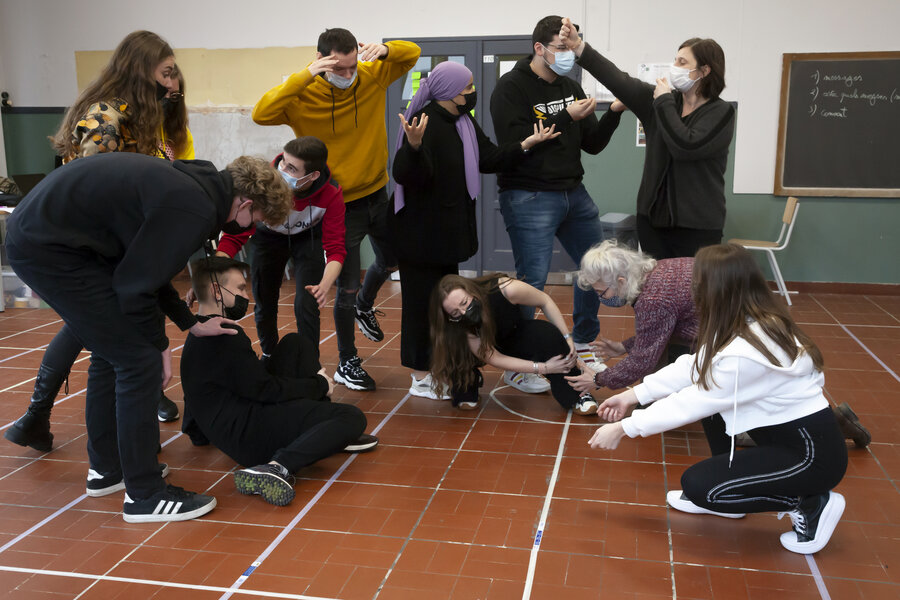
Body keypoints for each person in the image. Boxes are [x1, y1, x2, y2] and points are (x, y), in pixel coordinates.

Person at [5, 153, 293, 522]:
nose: (249, 229)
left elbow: (147, 270)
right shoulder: (193, 208)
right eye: (255, 221)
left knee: (112, 355)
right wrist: (160, 348)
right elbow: (135, 288)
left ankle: (108, 470)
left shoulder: (195, 186)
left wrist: (189, 323)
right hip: (51, 251)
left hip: (59, 242)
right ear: (246, 203)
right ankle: (144, 495)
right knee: (136, 361)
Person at [588, 244, 848, 555]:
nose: (691, 288)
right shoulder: (744, 321)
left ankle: (810, 503)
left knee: (699, 487)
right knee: (704, 484)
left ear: (717, 290)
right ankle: (731, 493)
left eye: (696, 283)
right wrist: (633, 395)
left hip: (809, 458)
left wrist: (624, 428)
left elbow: (694, 401)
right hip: (787, 444)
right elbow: (693, 366)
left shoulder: (746, 351)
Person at [5, 32, 193, 453]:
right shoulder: (106, 116)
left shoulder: (148, 119)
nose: (173, 83)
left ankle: (41, 419)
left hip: (113, 242)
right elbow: (94, 187)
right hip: (82, 244)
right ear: (139, 70)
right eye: (166, 74)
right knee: (89, 327)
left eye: (175, 74)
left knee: (99, 324)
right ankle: (57, 424)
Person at [566, 240, 872, 449]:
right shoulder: (656, 271)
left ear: (620, 281)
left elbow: (647, 358)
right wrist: (625, 346)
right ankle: (829, 421)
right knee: (752, 395)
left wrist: (598, 379)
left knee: (737, 398)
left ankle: (825, 427)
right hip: (741, 327)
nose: (600, 297)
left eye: (600, 290)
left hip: (729, 337)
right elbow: (662, 330)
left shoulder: (653, 298)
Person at [252, 28, 421, 392]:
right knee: (344, 284)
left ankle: (366, 303)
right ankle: (348, 361)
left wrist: (386, 49)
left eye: (351, 67)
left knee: (392, 260)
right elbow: (261, 113)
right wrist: (305, 74)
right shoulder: (303, 93)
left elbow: (412, 53)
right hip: (339, 203)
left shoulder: (372, 75)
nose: (348, 76)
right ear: (321, 62)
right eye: (338, 69)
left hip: (378, 192)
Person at [391, 60, 560, 399]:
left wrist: (527, 143)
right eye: (466, 88)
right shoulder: (422, 121)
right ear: (449, 92)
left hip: (446, 237)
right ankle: (420, 377)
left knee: (444, 306)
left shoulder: (462, 121)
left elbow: (489, 158)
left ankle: (442, 367)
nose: (472, 92)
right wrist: (412, 146)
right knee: (419, 305)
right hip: (419, 237)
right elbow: (407, 176)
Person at [490, 15, 625, 391]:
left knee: (595, 268)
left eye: (573, 47)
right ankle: (520, 362)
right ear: (540, 48)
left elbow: (592, 144)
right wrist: (565, 116)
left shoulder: (570, 84)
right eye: (563, 48)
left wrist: (612, 114)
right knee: (531, 281)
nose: (569, 55)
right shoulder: (510, 88)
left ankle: (583, 342)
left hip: (574, 192)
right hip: (528, 194)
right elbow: (515, 144)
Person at [180, 257, 376, 507]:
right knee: (352, 417)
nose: (245, 294)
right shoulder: (226, 336)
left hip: (236, 417)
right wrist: (319, 385)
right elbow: (265, 389)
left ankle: (319, 432)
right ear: (217, 291)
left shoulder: (199, 332)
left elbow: (200, 389)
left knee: (295, 344)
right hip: (248, 435)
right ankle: (277, 467)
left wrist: (197, 433)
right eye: (240, 288)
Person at [558, 18, 735, 259]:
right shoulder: (660, 101)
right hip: (653, 220)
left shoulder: (721, 112)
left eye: (682, 62)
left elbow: (686, 146)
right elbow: (618, 80)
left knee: (694, 292)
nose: (674, 67)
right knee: (655, 290)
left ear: (704, 71)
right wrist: (579, 46)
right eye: (675, 60)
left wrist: (663, 102)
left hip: (698, 225)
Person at [217, 137, 346, 358]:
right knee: (265, 300)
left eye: (292, 168)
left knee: (307, 303)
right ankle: (270, 355)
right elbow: (234, 236)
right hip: (268, 238)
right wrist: (214, 272)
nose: (282, 170)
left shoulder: (331, 194)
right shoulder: (265, 181)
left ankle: (308, 364)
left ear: (313, 175)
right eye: (283, 162)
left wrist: (324, 286)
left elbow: (336, 249)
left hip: (308, 239)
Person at [430, 274, 597, 414]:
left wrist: (567, 337)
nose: (464, 312)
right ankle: (465, 386)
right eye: (455, 312)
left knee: (549, 335)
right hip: (488, 348)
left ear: (471, 290)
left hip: (513, 334)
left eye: (464, 303)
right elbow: (493, 357)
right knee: (455, 349)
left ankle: (576, 394)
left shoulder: (505, 288)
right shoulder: (458, 325)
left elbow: (545, 301)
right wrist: (544, 368)